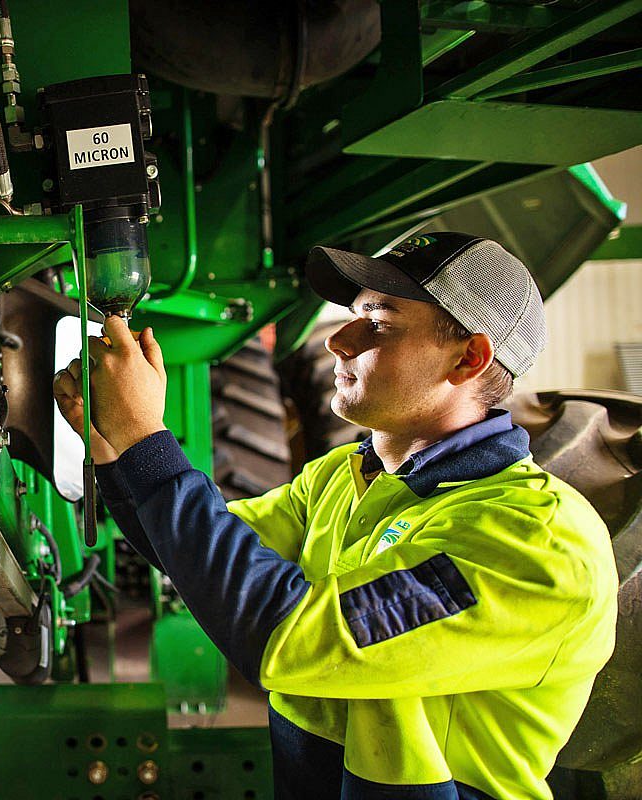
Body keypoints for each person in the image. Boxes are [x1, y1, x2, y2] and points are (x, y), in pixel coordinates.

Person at [53, 232, 617, 799]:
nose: (338, 342)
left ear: (468, 358)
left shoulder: (535, 539)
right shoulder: (345, 476)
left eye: (379, 322)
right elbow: (195, 555)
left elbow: (283, 636)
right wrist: (115, 446)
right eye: (352, 315)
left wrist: (147, 442)